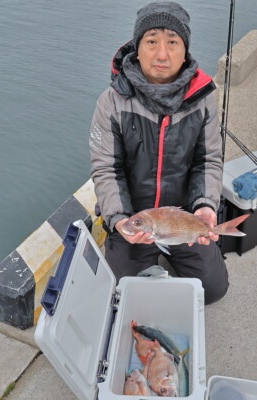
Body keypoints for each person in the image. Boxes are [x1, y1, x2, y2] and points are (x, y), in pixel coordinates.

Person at [89, 1, 227, 304]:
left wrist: (205, 206)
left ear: (185, 50)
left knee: (214, 290)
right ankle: (130, 245)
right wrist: (120, 219)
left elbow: (209, 160)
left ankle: (183, 249)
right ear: (137, 48)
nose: (162, 54)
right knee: (114, 294)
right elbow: (106, 169)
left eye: (172, 42)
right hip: (135, 218)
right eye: (151, 41)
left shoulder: (202, 99)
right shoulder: (111, 102)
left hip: (182, 217)